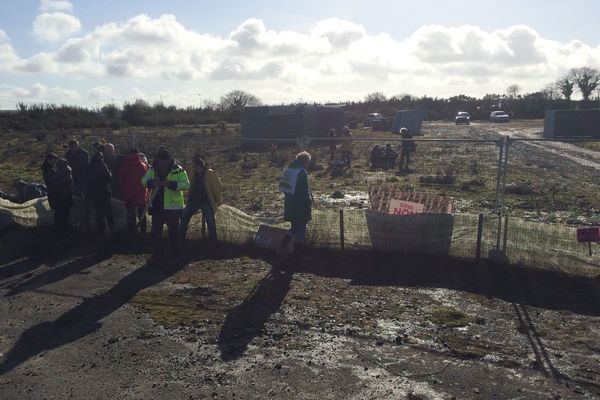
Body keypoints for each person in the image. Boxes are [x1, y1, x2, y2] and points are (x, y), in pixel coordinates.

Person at [142, 147, 190, 258]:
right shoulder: (153, 169)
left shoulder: (178, 170)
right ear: (158, 160)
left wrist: (171, 184)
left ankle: (176, 254)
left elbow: (186, 185)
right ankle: (157, 255)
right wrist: (153, 183)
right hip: (157, 206)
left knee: (174, 233)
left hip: (173, 208)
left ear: (169, 160)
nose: (162, 163)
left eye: (165, 161)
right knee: (156, 232)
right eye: (161, 161)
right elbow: (144, 180)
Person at [277, 151, 313, 261]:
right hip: (300, 206)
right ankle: (297, 255)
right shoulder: (301, 172)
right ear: (305, 161)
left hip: (289, 204)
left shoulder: (289, 169)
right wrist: (308, 203)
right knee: (301, 230)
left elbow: (283, 187)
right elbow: (303, 192)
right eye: (308, 162)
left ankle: (282, 248)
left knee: (294, 228)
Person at [179, 158, 223, 243]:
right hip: (193, 201)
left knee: (210, 221)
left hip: (205, 201)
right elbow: (190, 187)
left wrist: (217, 200)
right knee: (184, 217)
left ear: (199, 166)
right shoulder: (193, 174)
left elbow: (217, 187)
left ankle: (213, 241)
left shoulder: (209, 173)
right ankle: (180, 239)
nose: (193, 168)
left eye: (194, 166)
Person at [118, 149, 149, 234]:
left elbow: (121, 180)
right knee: (142, 215)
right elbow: (147, 180)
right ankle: (143, 232)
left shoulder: (125, 166)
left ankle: (131, 233)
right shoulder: (143, 166)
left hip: (128, 195)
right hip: (141, 194)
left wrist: (122, 192)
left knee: (130, 215)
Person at [85, 149, 115, 233]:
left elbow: (86, 179)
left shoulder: (89, 166)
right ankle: (112, 228)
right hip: (103, 191)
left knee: (98, 212)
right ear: (101, 158)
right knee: (108, 211)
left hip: (93, 192)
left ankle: (101, 229)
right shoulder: (102, 165)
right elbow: (109, 178)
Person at [51, 158, 74, 232]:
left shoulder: (63, 173)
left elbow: (61, 184)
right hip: (66, 196)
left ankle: (61, 229)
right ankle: (63, 228)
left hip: (62, 196)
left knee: (61, 213)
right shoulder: (67, 171)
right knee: (64, 213)